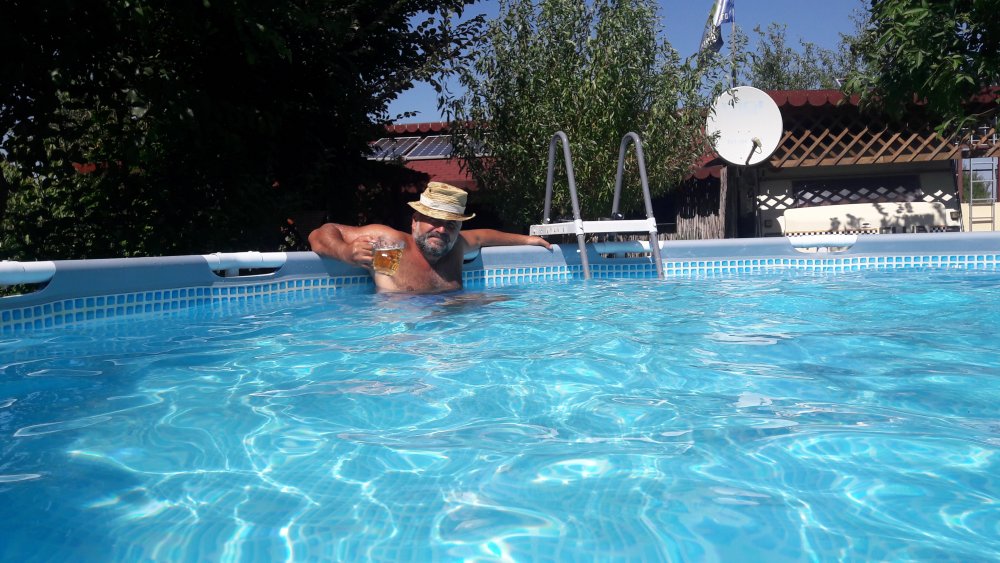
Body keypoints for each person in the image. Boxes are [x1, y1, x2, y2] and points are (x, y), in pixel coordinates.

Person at [309, 182, 551, 293]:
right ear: (415, 220)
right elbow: (321, 233)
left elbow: (485, 236)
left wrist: (529, 240)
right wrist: (344, 252)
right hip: (406, 343)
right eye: (434, 221)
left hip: (453, 337)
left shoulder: (455, 246)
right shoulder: (391, 248)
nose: (442, 230)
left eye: (451, 224)